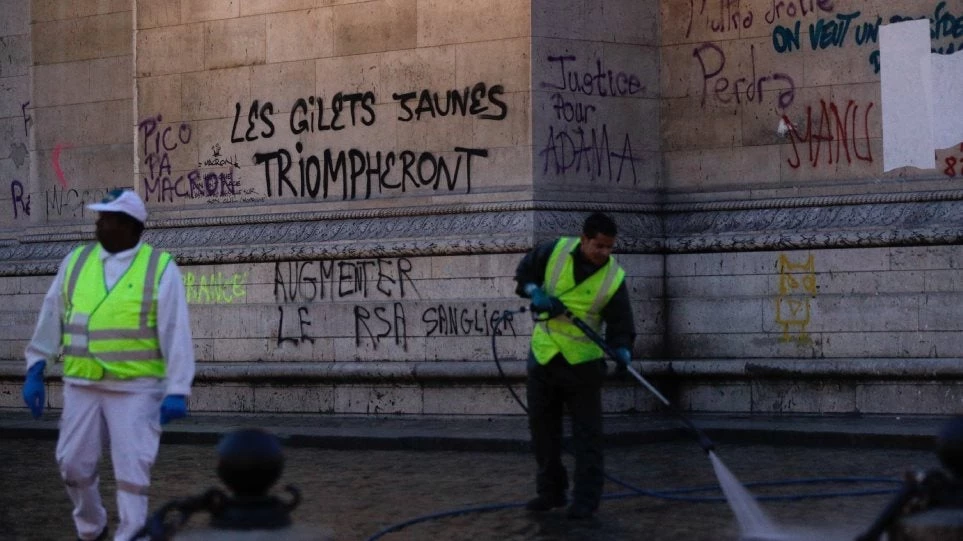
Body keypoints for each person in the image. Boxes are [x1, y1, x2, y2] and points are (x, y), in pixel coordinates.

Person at [21, 188, 196, 541]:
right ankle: (92, 526)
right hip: (82, 384)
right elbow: (52, 315)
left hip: (136, 388)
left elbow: (176, 331)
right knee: (72, 463)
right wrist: (36, 365)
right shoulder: (76, 261)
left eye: (108, 219)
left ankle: (131, 535)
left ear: (131, 227)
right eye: (99, 217)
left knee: (132, 470)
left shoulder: (159, 268)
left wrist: (178, 389)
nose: (99, 225)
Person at [514, 211, 636, 520]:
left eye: (610, 247)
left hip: (583, 366)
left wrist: (622, 349)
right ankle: (551, 491)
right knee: (543, 433)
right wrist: (535, 292)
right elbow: (524, 273)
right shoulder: (554, 251)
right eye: (600, 246)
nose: (605, 253)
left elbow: (621, 322)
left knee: (588, 438)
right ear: (584, 240)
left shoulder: (613, 277)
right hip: (544, 357)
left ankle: (586, 500)